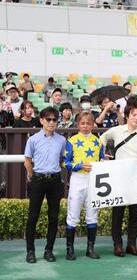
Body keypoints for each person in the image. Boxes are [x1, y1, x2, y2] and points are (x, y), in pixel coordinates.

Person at [100, 101, 137, 257]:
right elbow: (101, 139)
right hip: (119, 177)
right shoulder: (116, 131)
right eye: (134, 115)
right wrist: (102, 156)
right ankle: (117, 245)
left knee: (135, 213)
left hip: (136, 178)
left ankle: (132, 244)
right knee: (118, 213)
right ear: (127, 116)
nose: (136, 118)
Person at [23, 107, 67, 263]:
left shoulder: (62, 140)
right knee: (33, 216)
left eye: (54, 119)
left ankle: (49, 250)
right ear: (41, 120)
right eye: (48, 119)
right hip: (38, 180)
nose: (52, 122)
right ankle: (30, 251)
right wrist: (33, 176)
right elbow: (27, 161)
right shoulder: (33, 139)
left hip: (55, 181)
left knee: (53, 217)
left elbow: (63, 160)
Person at [63, 112, 105, 261]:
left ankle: (90, 248)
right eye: (83, 123)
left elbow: (102, 157)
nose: (86, 126)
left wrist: (104, 160)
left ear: (93, 124)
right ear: (78, 125)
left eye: (89, 123)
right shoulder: (72, 141)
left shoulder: (98, 141)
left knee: (92, 215)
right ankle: (70, 249)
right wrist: (79, 165)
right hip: (77, 179)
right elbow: (65, 163)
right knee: (73, 214)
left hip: (94, 181)